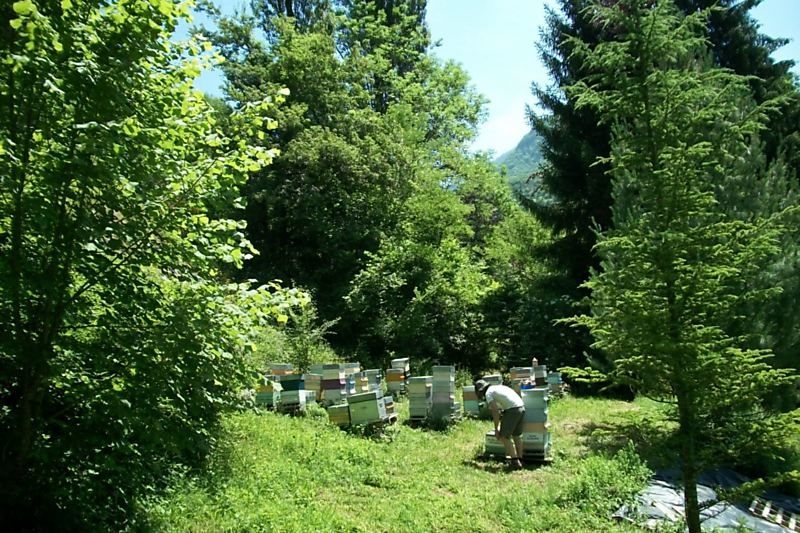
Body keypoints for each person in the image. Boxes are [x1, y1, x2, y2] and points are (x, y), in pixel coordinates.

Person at [474, 379, 525, 470]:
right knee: (516, 436)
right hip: (521, 407)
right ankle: (520, 459)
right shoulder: (498, 387)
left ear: (480, 391)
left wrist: (497, 429)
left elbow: (495, 410)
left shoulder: (488, 393)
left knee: (504, 437)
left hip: (512, 410)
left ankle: (515, 461)